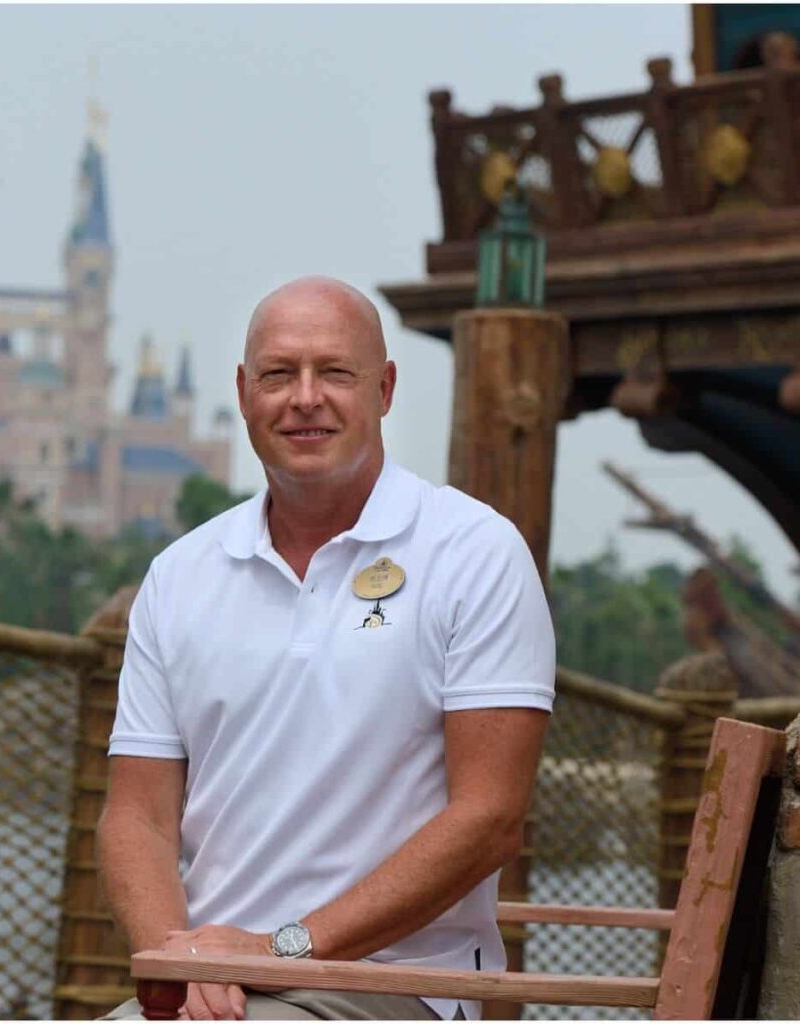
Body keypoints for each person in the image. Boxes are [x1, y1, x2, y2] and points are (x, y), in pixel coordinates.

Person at [97, 276, 555, 1021]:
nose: (304, 397)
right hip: (216, 988)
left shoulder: (474, 552)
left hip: (395, 987)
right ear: (244, 393)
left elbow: (490, 817)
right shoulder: (181, 573)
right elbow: (136, 818)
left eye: (334, 372)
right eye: (279, 374)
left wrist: (279, 950)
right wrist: (180, 964)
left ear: (384, 387)